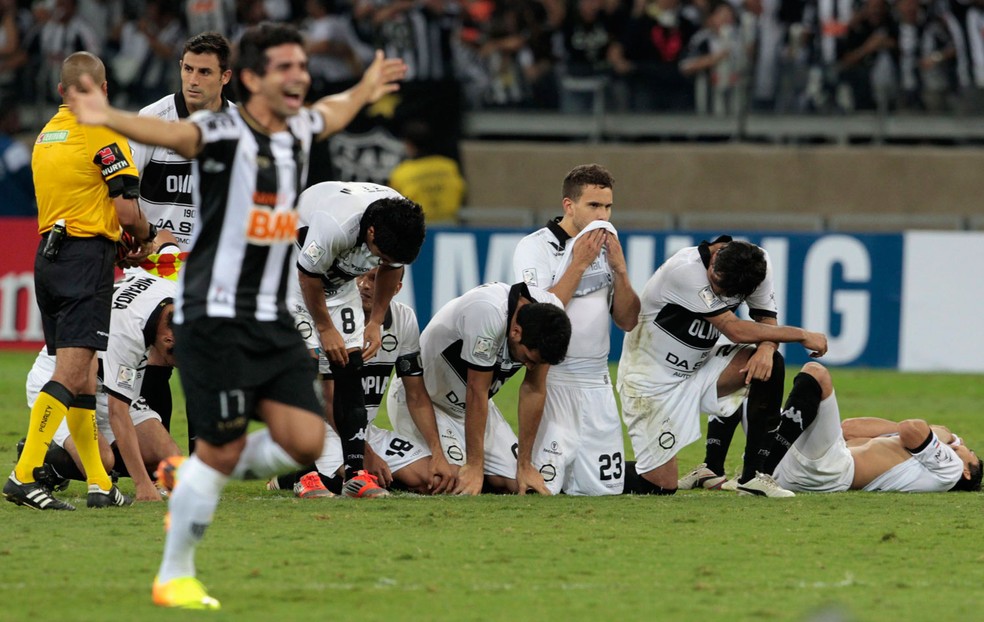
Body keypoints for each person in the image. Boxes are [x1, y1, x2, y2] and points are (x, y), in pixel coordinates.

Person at [66, 22, 407, 609]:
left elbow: (333, 110)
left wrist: (366, 86)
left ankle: (191, 472)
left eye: (302, 65)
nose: (299, 75)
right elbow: (162, 130)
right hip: (214, 316)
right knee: (223, 450)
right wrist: (107, 114)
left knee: (302, 441)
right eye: (285, 67)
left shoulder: (298, 128)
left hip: (270, 315)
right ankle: (175, 572)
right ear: (251, 79)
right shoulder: (219, 131)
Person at [4, 51, 156, 512]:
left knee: (87, 377)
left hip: (49, 256)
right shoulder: (104, 131)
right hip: (84, 260)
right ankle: (23, 475)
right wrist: (147, 238)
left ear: (60, 92)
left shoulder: (46, 134)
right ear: (104, 90)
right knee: (71, 375)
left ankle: (98, 484)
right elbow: (127, 211)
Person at [617, 236, 828, 497]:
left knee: (769, 364)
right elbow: (735, 329)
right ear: (715, 256)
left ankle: (752, 477)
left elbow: (764, 317)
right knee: (660, 485)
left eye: (729, 294)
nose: (719, 293)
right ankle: (589, 470)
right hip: (650, 381)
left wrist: (766, 348)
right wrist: (801, 334)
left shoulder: (758, 266)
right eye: (716, 283)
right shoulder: (685, 271)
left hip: (701, 369)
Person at [288, 180, 426, 498]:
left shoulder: (400, 224)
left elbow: (392, 265)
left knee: (350, 366)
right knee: (303, 367)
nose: (383, 260)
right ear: (372, 234)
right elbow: (308, 276)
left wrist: (376, 320)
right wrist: (324, 328)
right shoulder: (334, 224)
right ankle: (304, 475)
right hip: (291, 274)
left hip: (339, 282)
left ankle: (357, 474)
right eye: (380, 254)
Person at [131, 31, 235, 454]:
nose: (193, 79)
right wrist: (149, 237)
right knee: (156, 358)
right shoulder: (151, 121)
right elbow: (121, 192)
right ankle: (161, 459)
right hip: (155, 264)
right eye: (188, 69)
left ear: (225, 76)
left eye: (205, 72)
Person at [512, 164, 639, 495]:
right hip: (554, 380)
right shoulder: (535, 247)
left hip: (597, 383)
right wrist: (579, 263)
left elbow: (627, 321)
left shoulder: (607, 245)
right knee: (545, 488)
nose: (603, 215)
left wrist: (621, 272)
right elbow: (538, 316)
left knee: (605, 490)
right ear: (569, 205)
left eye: (608, 206)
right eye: (594, 206)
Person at [275, 266, 457, 497]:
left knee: (430, 479)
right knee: (335, 483)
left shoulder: (403, 319)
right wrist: (365, 455)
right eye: (359, 276)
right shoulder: (329, 321)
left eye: (375, 279)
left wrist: (438, 452)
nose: (365, 285)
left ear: (396, 287)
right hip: (325, 427)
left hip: (367, 430)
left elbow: (416, 395)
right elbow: (330, 400)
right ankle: (288, 474)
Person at [389, 282, 572, 496]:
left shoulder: (549, 316)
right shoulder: (487, 311)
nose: (530, 367)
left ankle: (485, 476)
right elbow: (477, 391)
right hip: (424, 402)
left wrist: (525, 464)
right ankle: (386, 468)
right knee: (449, 481)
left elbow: (534, 388)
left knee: (522, 485)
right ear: (515, 331)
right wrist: (475, 466)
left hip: (473, 407)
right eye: (528, 359)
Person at [24, 266, 182, 501]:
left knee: (170, 459)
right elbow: (119, 413)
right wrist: (143, 485)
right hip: (63, 382)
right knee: (101, 462)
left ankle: (109, 458)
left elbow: (138, 265)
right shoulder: (127, 337)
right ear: (168, 338)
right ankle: (47, 460)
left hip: (104, 380)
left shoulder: (172, 292)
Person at [763, 362, 982, 493]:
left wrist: (944, 433)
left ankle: (763, 466)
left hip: (827, 471)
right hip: (809, 469)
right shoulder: (916, 458)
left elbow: (912, 428)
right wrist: (900, 430)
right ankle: (757, 468)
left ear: (967, 471)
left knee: (816, 374)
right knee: (760, 393)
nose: (964, 446)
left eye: (969, 452)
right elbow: (850, 429)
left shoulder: (951, 470)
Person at [387, 119, 466, 225]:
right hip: (450, 227)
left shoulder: (401, 172)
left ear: (409, 145)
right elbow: (463, 194)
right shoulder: (449, 166)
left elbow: (393, 206)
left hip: (417, 229)